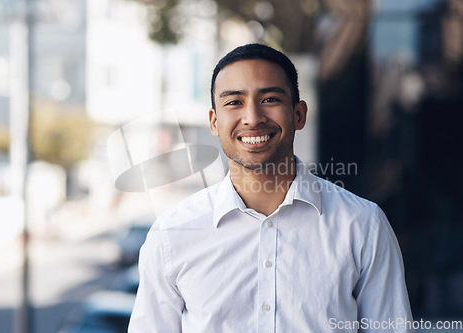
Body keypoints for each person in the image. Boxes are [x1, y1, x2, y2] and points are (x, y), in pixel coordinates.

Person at [128, 43, 413, 332]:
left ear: (299, 114)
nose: (252, 118)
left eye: (270, 99)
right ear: (214, 122)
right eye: (234, 102)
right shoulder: (172, 234)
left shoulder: (363, 225)